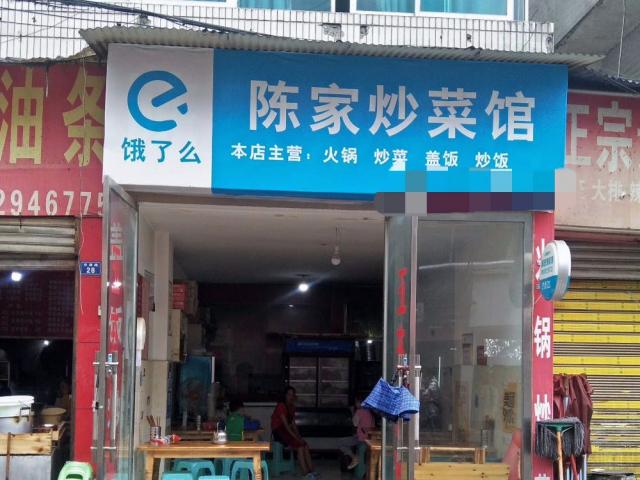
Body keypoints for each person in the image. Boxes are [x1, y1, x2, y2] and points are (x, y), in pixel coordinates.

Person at [271, 386, 318, 479]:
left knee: (304, 444)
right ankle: (305, 474)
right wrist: (296, 438)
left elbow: (293, 424)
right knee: (299, 446)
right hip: (278, 431)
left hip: (286, 430)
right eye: (289, 394)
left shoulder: (291, 407)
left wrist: (299, 437)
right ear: (285, 395)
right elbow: (286, 425)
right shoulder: (281, 406)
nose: (291, 397)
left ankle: (311, 470)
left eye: (292, 395)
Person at [339, 394, 375, 470]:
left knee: (341, 442)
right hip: (368, 438)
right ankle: (355, 458)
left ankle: (354, 457)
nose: (356, 404)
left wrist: (352, 411)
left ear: (360, 402)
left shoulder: (359, 411)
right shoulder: (369, 412)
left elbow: (355, 423)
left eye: (356, 402)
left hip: (361, 439)